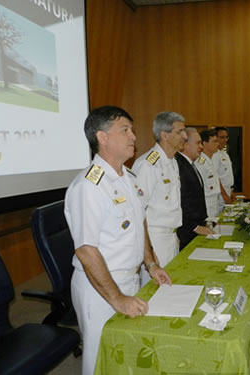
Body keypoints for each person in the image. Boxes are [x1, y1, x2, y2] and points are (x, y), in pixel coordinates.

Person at [64, 106, 171, 374]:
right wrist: (118, 299)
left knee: (127, 354)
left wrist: (151, 264)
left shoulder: (128, 177)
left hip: (130, 279)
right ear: (102, 137)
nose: (133, 136)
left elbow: (139, 223)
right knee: (101, 359)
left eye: (132, 130)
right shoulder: (88, 187)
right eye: (125, 130)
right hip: (99, 287)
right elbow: (86, 250)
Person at [132, 111, 187, 271]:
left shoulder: (172, 161)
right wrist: (148, 252)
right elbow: (137, 211)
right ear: (164, 135)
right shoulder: (148, 165)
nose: (184, 136)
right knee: (155, 293)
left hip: (170, 237)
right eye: (179, 132)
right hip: (154, 240)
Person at [175, 128, 214, 250]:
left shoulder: (190, 164)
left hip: (197, 227)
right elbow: (180, 201)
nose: (201, 147)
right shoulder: (178, 165)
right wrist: (195, 227)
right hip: (188, 231)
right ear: (185, 144)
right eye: (198, 143)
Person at [196, 129, 222, 217]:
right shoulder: (200, 163)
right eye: (214, 141)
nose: (218, 144)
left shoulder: (209, 161)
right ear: (204, 143)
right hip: (207, 206)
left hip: (215, 204)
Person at [212, 126, 235, 210]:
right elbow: (215, 177)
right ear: (215, 138)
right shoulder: (214, 155)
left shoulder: (224, 154)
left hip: (227, 191)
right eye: (222, 137)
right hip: (220, 195)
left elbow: (227, 175)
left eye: (226, 137)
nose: (225, 140)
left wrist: (231, 191)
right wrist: (224, 194)